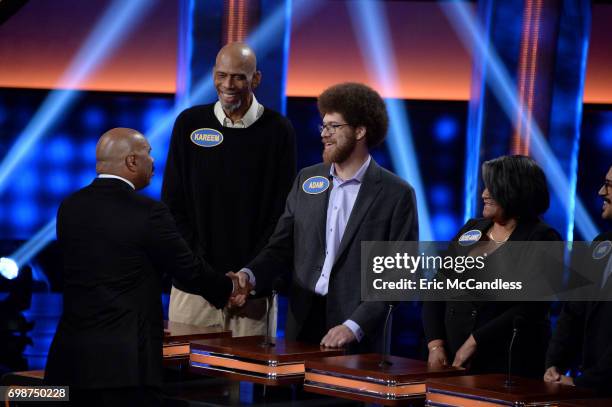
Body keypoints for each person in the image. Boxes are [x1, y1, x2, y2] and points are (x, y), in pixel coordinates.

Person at [45, 128, 247, 407]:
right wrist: (228, 287)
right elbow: (187, 268)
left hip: (70, 360)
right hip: (125, 366)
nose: (153, 161)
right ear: (131, 162)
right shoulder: (148, 212)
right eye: (148, 153)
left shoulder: (69, 207)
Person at [233, 82, 418, 352]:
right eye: (323, 126)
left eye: (334, 126)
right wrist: (250, 275)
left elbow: (398, 277)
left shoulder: (396, 194)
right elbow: (280, 247)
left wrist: (354, 326)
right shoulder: (307, 179)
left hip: (356, 335)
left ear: (360, 131)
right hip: (302, 322)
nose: (324, 134)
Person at [162, 42, 296, 336]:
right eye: (221, 75)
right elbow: (173, 207)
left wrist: (249, 277)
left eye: (238, 77)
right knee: (189, 382)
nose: (228, 84)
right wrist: (209, 279)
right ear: (212, 74)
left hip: (250, 293)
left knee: (242, 379)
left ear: (256, 79)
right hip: (194, 289)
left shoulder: (278, 130)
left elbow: (282, 216)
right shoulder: (189, 123)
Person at [423, 155, 560, 377]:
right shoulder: (472, 228)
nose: (484, 194)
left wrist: (475, 342)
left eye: (493, 188)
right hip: (449, 360)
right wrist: (435, 344)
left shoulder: (542, 238)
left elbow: (531, 307)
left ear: (515, 190)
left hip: (505, 364)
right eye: (485, 186)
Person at [544, 166, 612, 395]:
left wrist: (584, 382)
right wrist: (553, 365)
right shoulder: (600, 244)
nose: (602, 191)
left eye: (610, 185)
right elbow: (573, 311)